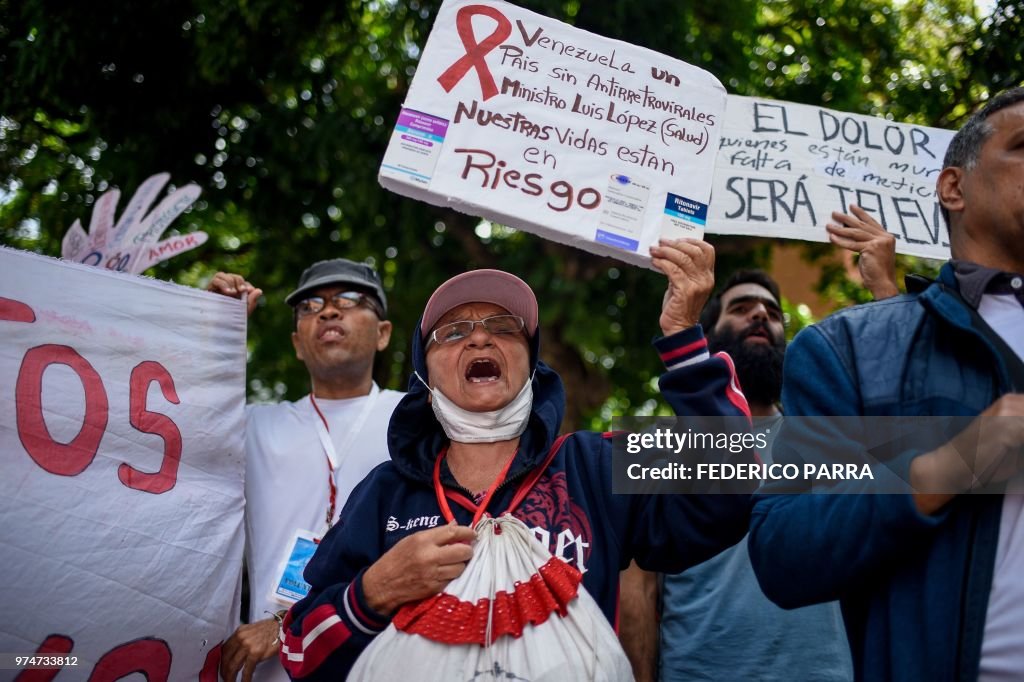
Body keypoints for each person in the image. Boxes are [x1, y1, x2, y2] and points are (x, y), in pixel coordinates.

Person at [279, 239, 758, 680]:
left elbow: (730, 488)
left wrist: (683, 337)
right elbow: (299, 649)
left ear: (533, 367)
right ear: (424, 385)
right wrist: (372, 592)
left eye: (503, 326)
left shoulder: (592, 461)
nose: (480, 339)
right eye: (453, 332)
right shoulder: (385, 492)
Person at [748, 86, 1024, 681]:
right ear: (954, 188)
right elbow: (781, 549)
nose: (760, 321)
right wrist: (955, 463)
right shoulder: (847, 353)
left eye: (769, 311)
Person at [208, 259, 404, 682]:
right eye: (311, 305)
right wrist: (216, 331)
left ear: (383, 333)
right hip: (269, 670)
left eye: (349, 299)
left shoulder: (416, 423)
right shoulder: (253, 426)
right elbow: (180, 429)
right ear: (298, 343)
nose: (328, 311)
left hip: (388, 664)